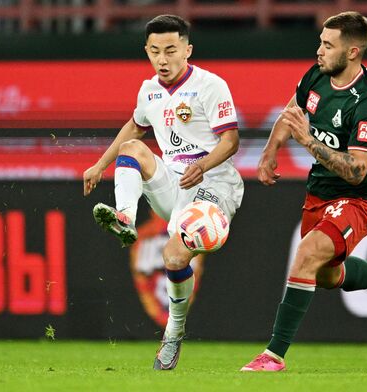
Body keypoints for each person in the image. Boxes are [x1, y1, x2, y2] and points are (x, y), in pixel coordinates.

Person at [241, 11, 367, 372]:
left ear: (353, 52)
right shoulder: (316, 75)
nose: (319, 50)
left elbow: (358, 171)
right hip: (319, 193)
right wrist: (270, 151)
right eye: (321, 42)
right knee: (323, 274)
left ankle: (273, 355)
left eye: (328, 45)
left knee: (307, 255)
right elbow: (291, 113)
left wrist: (307, 141)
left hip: (360, 199)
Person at [82, 14, 244, 371]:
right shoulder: (148, 90)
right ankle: (125, 218)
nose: (163, 59)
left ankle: (173, 333)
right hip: (174, 181)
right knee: (132, 150)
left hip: (213, 183)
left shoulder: (210, 85)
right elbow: (135, 127)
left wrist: (202, 165)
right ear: (147, 51)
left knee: (173, 259)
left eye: (171, 50)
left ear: (188, 50)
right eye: (155, 51)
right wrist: (99, 165)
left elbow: (231, 141)